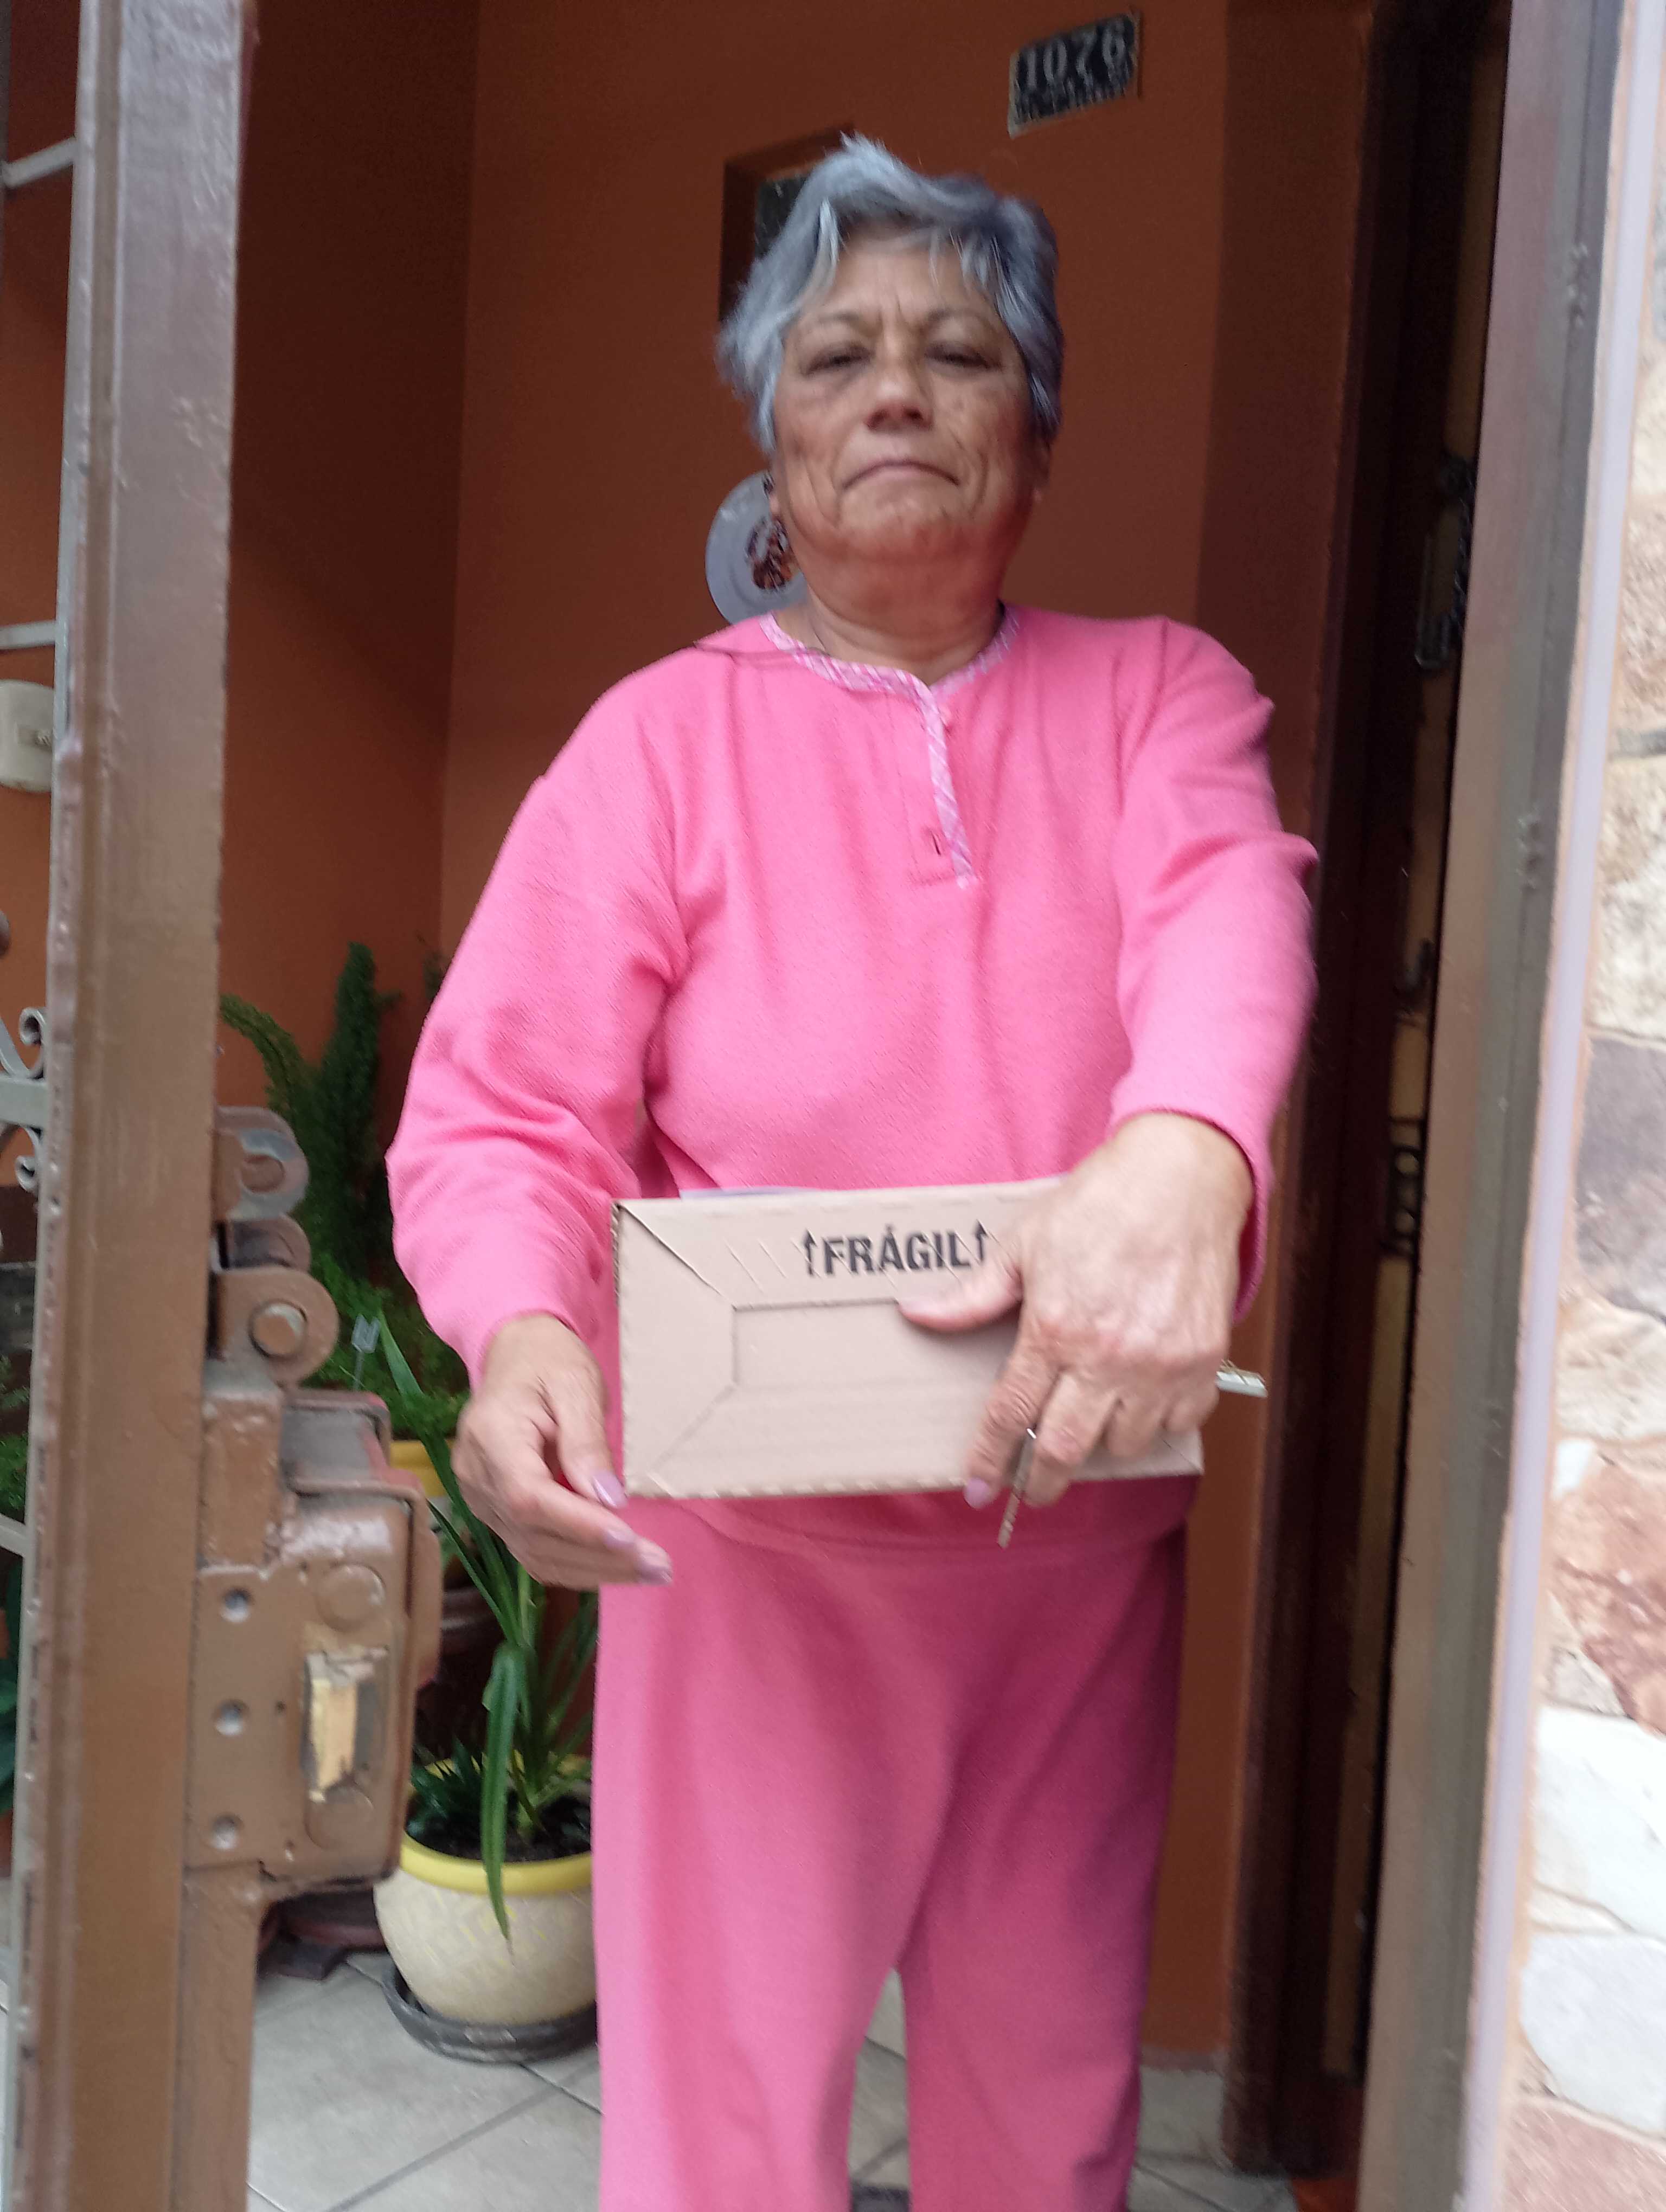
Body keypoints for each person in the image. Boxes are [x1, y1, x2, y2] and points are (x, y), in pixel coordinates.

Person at [388, 137, 1315, 2212]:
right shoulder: (654, 748)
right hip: (750, 1575)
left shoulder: (1160, 696)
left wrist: (1187, 1150)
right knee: (722, 2137)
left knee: (1046, 2119)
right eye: (838, 356)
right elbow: (510, 1109)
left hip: (1072, 1552)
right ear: (775, 446)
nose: (898, 389)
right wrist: (521, 1334)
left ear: (1037, 431)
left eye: (960, 353)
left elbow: (1229, 914)